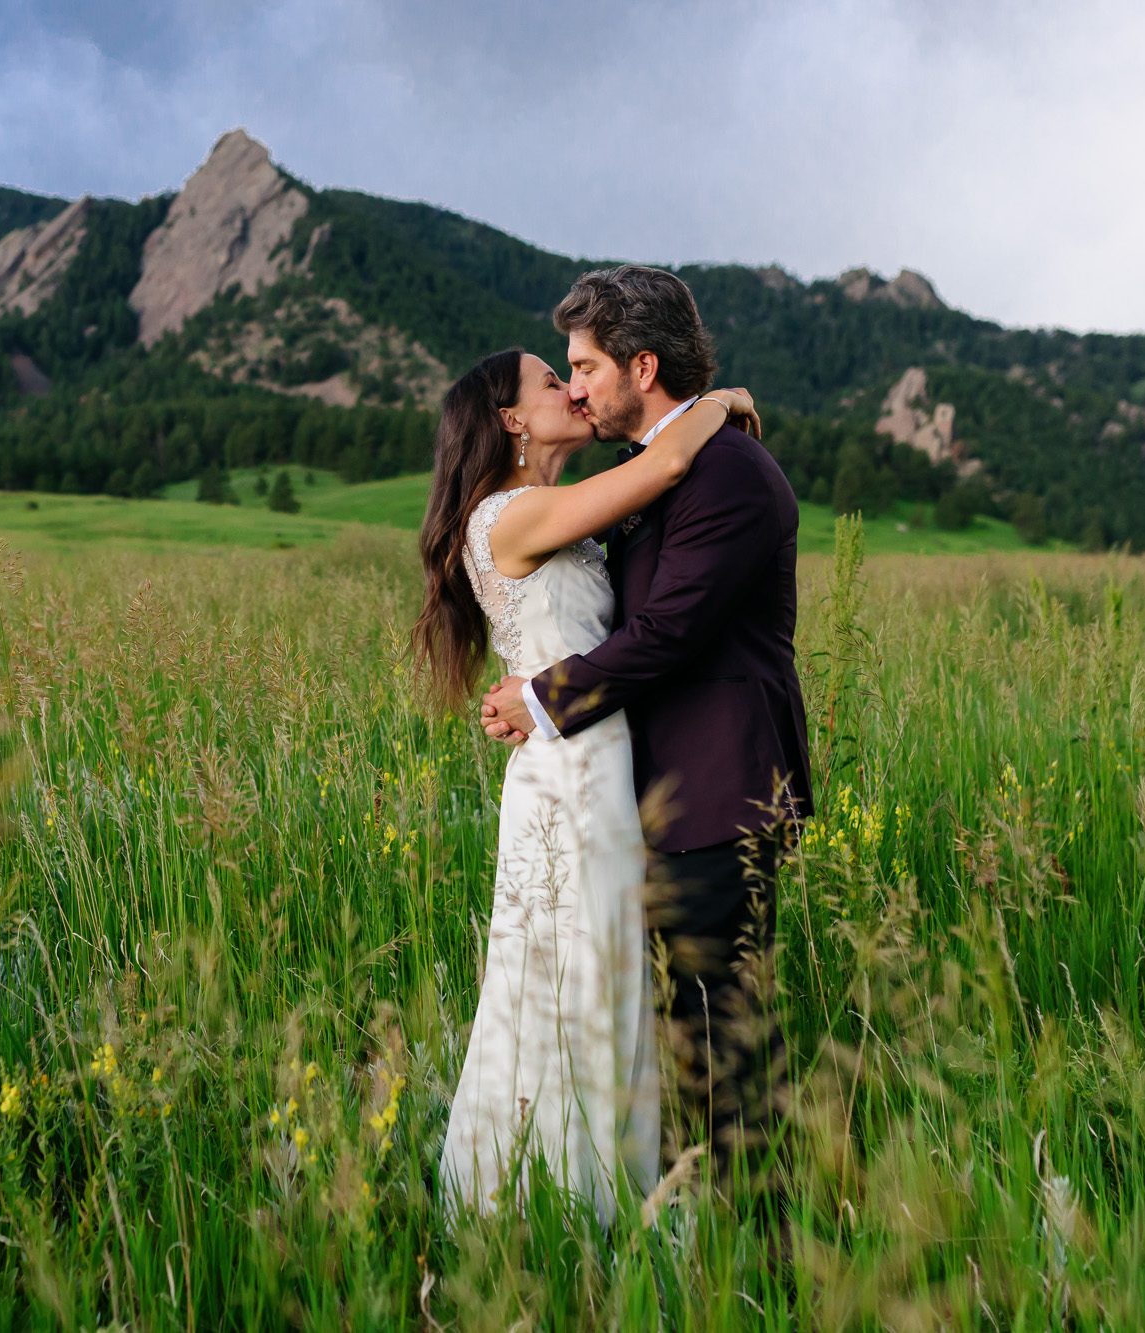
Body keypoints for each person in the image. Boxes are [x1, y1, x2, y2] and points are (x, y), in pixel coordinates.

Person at [480, 265, 813, 1237]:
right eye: (564, 372)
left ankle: (767, 1256)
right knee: (672, 1042)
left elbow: (665, 632)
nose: (574, 388)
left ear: (642, 363)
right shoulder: (664, 464)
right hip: (650, 801)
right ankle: (685, 1228)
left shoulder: (728, 472)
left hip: (718, 793)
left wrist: (541, 698)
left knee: (723, 1042)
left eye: (584, 366)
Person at [410, 339, 757, 1227]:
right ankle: (564, 1204)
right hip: (569, 775)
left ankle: (580, 1192)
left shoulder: (549, 509)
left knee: (592, 977)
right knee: (569, 978)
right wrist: (724, 401)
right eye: (549, 380)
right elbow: (672, 455)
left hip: (592, 764)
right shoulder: (510, 517)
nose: (570, 388)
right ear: (512, 419)